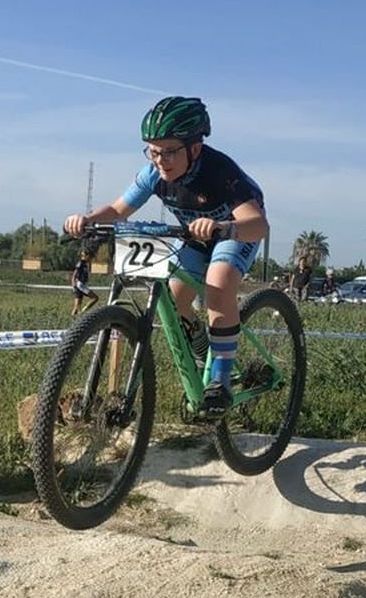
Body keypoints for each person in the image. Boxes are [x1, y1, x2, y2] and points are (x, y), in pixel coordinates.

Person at [63, 96, 267, 416]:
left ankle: (221, 378)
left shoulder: (220, 171)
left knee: (218, 281)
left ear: (194, 148)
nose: (160, 160)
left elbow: (258, 225)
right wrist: (88, 221)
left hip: (233, 230)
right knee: (176, 298)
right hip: (194, 234)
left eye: (169, 151)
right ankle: (202, 349)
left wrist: (221, 226)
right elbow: (118, 210)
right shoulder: (153, 174)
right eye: (153, 151)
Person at [69, 247, 99, 315]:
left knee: (76, 307)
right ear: (87, 256)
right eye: (90, 257)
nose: (91, 259)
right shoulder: (81, 263)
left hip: (80, 285)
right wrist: (73, 286)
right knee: (95, 298)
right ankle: (83, 312)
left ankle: (73, 320)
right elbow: (74, 275)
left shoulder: (86, 264)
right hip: (80, 285)